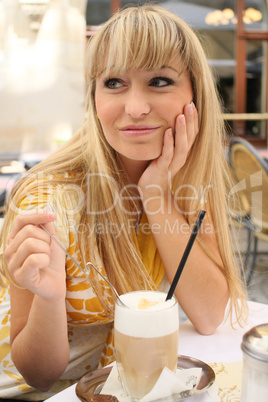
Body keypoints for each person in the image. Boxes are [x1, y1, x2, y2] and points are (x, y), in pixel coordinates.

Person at [0, 4, 248, 400]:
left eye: (160, 81)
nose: (134, 108)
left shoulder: (187, 181)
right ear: (94, 97)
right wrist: (51, 298)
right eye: (114, 83)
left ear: (195, 95)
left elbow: (208, 314)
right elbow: (38, 376)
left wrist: (155, 193)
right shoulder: (51, 200)